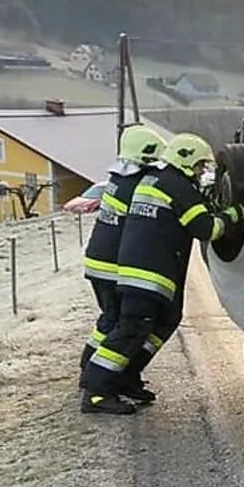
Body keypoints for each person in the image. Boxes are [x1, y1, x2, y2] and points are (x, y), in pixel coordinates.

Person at [79, 133, 243, 415]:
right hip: (146, 274)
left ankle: (125, 376)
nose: (202, 172)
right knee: (131, 328)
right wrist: (235, 212)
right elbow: (208, 229)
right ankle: (96, 390)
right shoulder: (176, 186)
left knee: (161, 321)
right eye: (200, 166)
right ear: (185, 160)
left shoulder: (153, 180)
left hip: (141, 271)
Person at [79, 124, 167, 403]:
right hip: (113, 266)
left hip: (98, 262)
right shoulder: (138, 185)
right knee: (125, 326)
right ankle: (99, 383)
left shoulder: (117, 179)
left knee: (109, 320)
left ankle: (93, 368)